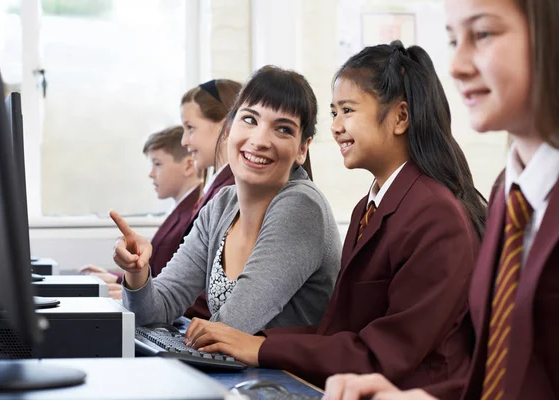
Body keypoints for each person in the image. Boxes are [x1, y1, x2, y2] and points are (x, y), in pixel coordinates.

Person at [184, 41, 487, 393]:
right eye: (333, 113)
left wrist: (262, 347)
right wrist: (253, 341)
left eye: (347, 110)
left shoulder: (435, 214)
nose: (336, 127)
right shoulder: (368, 207)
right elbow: (341, 330)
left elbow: (387, 353)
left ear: (400, 117)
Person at [320, 0, 559, 399]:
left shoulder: (440, 209)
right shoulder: (508, 193)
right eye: (452, 40)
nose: (457, 65)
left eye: (481, 34)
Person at [111, 65, 342, 334]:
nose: (259, 140)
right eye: (250, 120)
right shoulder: (221, 205)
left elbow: (231, 329)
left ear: (302, 149)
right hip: (234, 374)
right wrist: (136, 272)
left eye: (282, 129)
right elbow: (152, 313)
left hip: (286, 376)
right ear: (229, 128)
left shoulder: (302, 207)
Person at [79, 126, 201, 300]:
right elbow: (161, 275)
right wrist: (119, 278)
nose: (151, 174)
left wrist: (124, 287)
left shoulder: (195, 213)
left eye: (157, 164)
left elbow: (177, 284)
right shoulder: (180, 209)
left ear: (189, 165)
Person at [178, 78, 242, 319]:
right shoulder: (218, 186)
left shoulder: (234, 190)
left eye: (190, 128)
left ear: (225, 127)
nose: (184, 141)